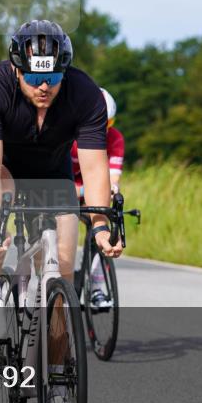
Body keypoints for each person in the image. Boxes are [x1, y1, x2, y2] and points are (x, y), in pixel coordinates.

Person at [0, 20, 123, 314]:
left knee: (62, 268)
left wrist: (100, 225)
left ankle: (55, 352)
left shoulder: (85, 94)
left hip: (51, 169)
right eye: (35, 78)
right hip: (1, 165)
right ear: (16, 70)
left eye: (52, 76)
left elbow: (94, 167)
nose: (44, 86)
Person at [70, 87, 124, 310]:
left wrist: (110, 193)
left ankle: (97, 287)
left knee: (105, 222)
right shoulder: (68, 136)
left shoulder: (116, 139)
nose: (102, 131)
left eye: (108, 125)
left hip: (91, 184)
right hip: (67, 182)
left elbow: (112, 179)